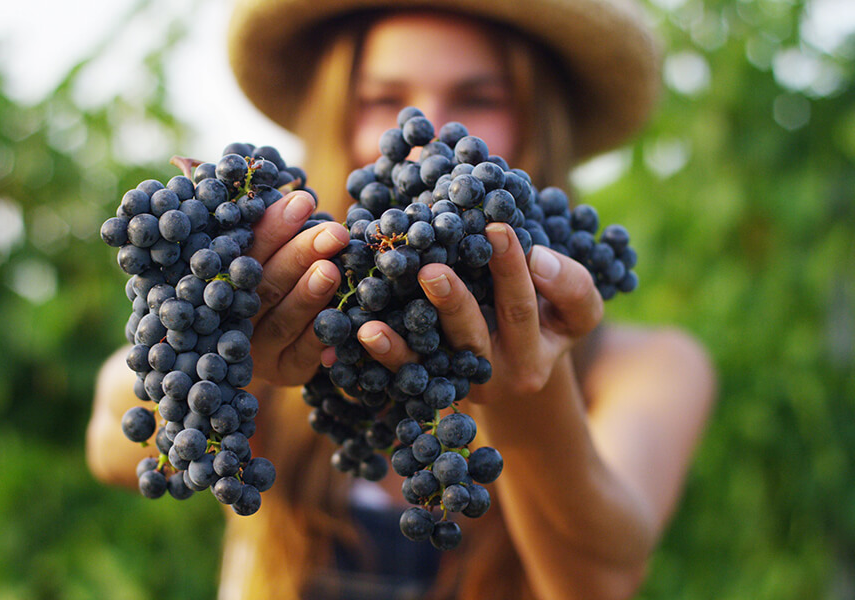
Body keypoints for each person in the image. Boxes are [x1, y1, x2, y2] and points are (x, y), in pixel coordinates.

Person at [86, 1, 717, 599]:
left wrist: (530, 388)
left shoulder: (650, 366)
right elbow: (114, 438)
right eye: (381, 99)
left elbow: (599, 584)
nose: (423, 137)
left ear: (540, 120)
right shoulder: (303, 309)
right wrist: (244, 356)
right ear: (333, 113)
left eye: (479, 98)